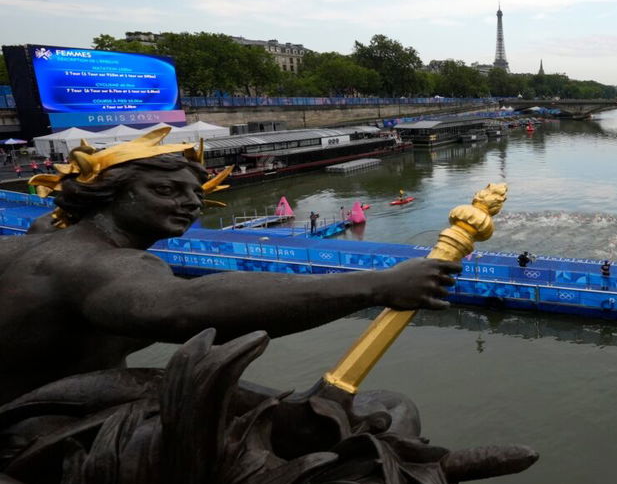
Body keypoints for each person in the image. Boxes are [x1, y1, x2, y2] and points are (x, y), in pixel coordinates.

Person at [0, 128, 461, 406]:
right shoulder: (98, 266)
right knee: (385, 413)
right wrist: (379, 286)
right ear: (109, 193)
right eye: (166, 191)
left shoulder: (36, 244)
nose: (190, 205)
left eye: (197, 196)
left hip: (39, 408)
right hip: (39, 435)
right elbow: (187, 306)